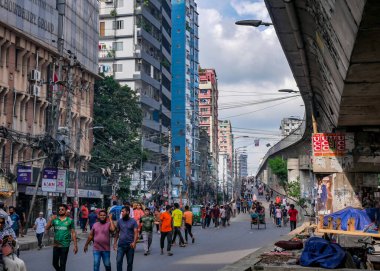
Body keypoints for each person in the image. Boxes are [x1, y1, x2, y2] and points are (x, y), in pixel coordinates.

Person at [46, 204, 78, 271]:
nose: (60, 211)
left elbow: (73, 233)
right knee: (54, 263)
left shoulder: (70, 221)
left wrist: (75, 245)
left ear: (66, 211)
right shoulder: (55, 220)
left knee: (63, 264)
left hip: (65, 245)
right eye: (59, 209)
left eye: (62, 209)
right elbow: (47, 228)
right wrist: (51, 219)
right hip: (56, 244)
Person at [114, 206, 138, 271]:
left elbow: (136, 233)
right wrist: (115, 243)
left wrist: (134, 242)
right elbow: (117, 232)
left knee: (130, 263)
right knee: (118, 261)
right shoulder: (119, 221)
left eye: (123, 211)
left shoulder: (133, 221)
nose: (122, 213)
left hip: (130, 245)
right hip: (121, 245)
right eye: (121, 211)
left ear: (127, 212)